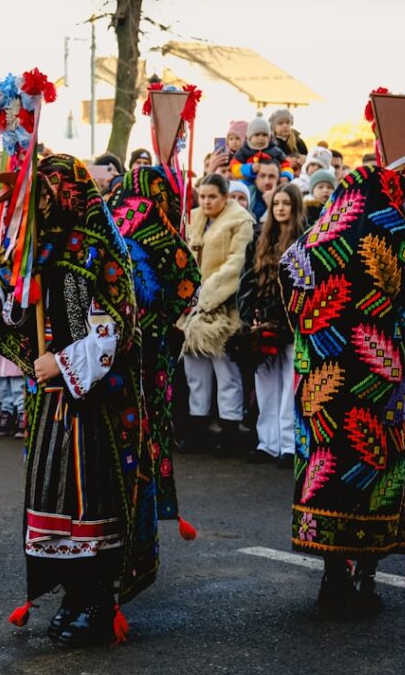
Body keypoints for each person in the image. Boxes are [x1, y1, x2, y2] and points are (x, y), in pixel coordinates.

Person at [0, 155, 159, 647]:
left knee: (92, 496)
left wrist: (61, 364)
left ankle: (98, 601)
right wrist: (16, 291)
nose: (38, 204)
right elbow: (16, 315)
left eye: (43, 195)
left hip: (94, 402)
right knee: (54, 495)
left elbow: (115, 329)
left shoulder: (96, 250)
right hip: (52, 402)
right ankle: (71, 594)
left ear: (65, 195)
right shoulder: (37, 249)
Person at [279, 165, 405, 616]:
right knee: (374, 468)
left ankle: (332, 578)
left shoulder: (321, 232)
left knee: (329, 466)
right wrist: (404, 339)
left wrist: (311, 332)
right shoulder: (394, 229)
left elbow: (288, 269)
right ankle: (365, 580)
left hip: (324, 380)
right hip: (378, 378)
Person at [109, 164, 201, 522]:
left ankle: (111, 503)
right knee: (149, 420)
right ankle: (145, 503)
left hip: (110, 344)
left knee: (117, 421)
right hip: (151, 345)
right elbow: (189, 281)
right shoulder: (159, 229)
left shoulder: (106, 219)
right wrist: (163, 319)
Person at [178, 174, 254, 454]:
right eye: (203, 196)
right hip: (191, 307)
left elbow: (237, 263)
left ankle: (230, 428)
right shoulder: (194, 218)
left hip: (223, 306)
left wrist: (206, 295)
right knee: (195, 370)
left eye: (213, 197)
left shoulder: (241, 221)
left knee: (226, 371)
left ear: (225, 197)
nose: (207, 201)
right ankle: (198, 427)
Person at [238, 184, 305, 468]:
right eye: (276, 203)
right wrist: (248, 314)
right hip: (263, 318)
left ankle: (289, 445)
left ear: (295, 206)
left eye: (286, 203)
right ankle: (268, 442)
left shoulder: (305, 238)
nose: (279, 208)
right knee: (265, 383)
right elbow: (247, 279)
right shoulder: (259, 238)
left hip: (293, 320)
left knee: (290, 385)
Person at [231, 117, 292, 182]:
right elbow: (234, 166)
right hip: (249, 183)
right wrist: (249, 169)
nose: (261, 138)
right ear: (249, 136)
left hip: (272, 182)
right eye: (257, 135)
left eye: (264, 135)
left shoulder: (276, 151)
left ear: (269, 137)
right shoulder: (243, 151)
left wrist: (286, 175)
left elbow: (286, 165)